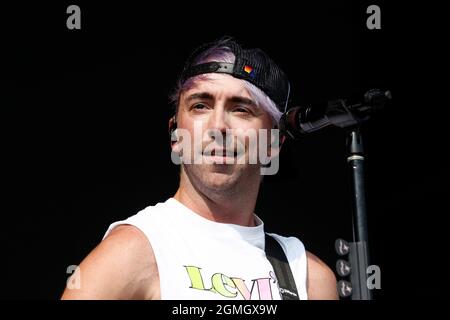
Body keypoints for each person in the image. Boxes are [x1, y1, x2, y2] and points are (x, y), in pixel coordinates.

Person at [61, 37, 338, 300]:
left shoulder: (306, 275)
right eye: (200, 106)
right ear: (175, 135)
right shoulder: (139, 249)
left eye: (241, 109)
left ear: (274, 142)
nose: (218, 126)